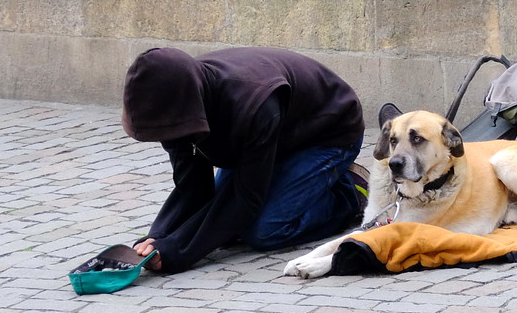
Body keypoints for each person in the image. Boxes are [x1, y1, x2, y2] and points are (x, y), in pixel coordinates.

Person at [122, 46, 366, 273]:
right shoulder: (183, 100)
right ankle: (302, 182)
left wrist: (178, 252)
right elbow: (192, 188)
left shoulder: (253, 103)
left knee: (264, 231)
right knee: (223, 218)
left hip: (329, 132)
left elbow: (245, 199)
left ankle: (350, 192)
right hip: (275, 137)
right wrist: (160, 237)